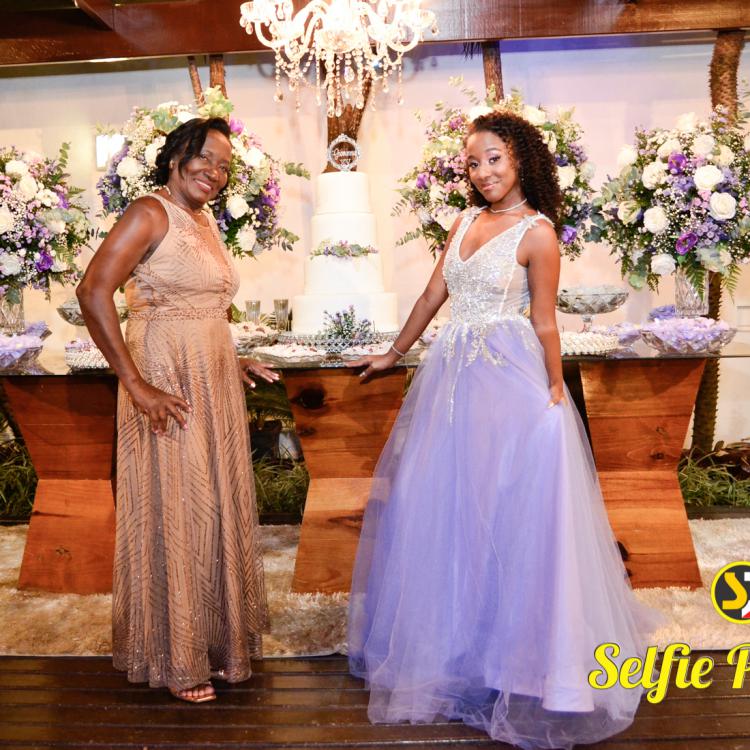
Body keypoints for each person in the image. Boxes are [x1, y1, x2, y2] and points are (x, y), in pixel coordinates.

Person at [347, 111, 659, 748]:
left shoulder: (538, 234)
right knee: (449, 508)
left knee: (507, 512)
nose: (483, 171)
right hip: (452, 382)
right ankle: (456, 649)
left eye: (494, 158)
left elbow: (544, 319)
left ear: (520, 159)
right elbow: (432, 296)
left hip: (510, 379)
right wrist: (394, 353)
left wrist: (553, 388)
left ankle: (518, 660)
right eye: (473, 162)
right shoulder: (463, 222)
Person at [77, 117, 276, 704]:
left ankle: (217, 643)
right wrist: (136, 384)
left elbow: (204, 306)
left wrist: (232, 358)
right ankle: (176, 656)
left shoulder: (206, 220)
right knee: (179, 506)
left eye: (224, 166)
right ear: (175, 157)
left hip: (213, 379)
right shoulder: (149, 212)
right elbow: (93, 291)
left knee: (212, 504)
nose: (214, 173)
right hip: (165, 380)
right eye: (205, 158)